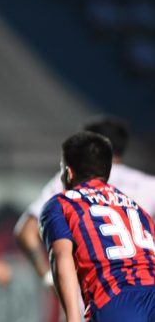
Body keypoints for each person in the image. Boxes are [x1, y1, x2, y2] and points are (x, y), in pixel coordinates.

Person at [15, 117, 155, 287]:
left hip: (87, 297)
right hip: (141, 294)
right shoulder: (149, 185)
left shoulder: (69, 179)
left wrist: (49, 279)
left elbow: (26, 231)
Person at [39, 131, 155, 321]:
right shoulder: (134, 207)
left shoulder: (62, 203)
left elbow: (61, 258)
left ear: (68, 172)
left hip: (116, 299)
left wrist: (73, 318)